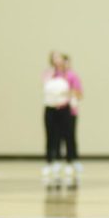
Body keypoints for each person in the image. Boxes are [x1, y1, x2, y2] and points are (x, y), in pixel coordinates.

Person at [42, 52, 83, 187]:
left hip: (67, 109)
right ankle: (53, 161)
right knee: (53, 136)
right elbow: (46, 88)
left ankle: (71, 161)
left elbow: (79, 93)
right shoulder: (49, 74)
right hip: (52, 108)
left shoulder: (71, 75)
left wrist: (66, 92)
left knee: (68, 136)